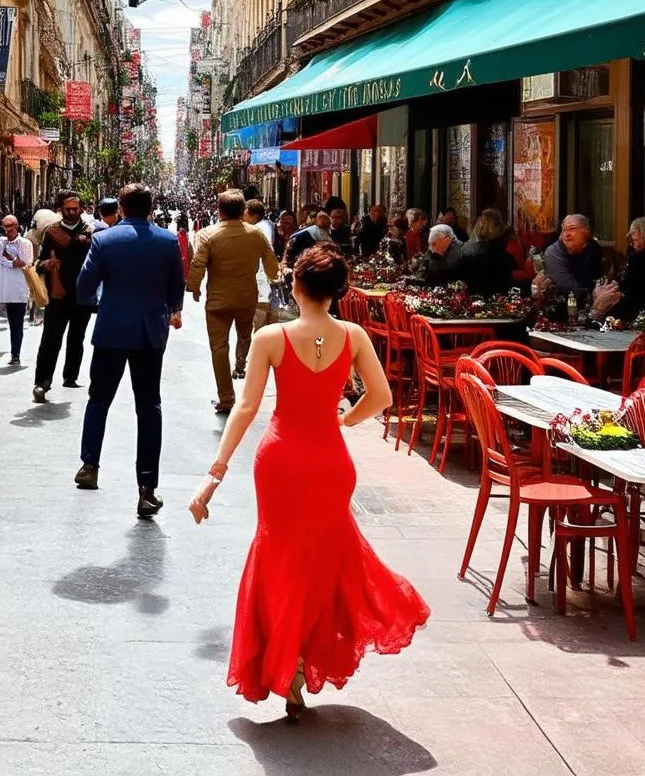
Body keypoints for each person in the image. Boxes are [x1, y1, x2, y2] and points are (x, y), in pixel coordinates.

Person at [188, 243, 428, 717]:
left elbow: (246, 407)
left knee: (279, 558)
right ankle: (300, 661)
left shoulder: (271, 338)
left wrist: (214, 474)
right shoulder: (354, 335)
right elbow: (381, 398)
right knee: (323, 561)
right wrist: (344, 421)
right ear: (337, 292)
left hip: (280, 461)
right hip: (330, 463)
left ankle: (287, 664)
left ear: (295, 286)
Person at [74, 184, 186, 516]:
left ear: (120, 207)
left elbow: (83, 287)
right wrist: (165, 310)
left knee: (99, 398)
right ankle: (147, 488)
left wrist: (100, 306)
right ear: (151, 208)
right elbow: (176, 288)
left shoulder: (103, 240)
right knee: (149, 406)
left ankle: (89, 466)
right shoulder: (167, 241)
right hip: (150, 332)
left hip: (110, 330)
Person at [187, 189, 280, 414]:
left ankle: (226, 397)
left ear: (219, 211)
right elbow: (272, 266)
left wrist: (194, 286)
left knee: (219, 347)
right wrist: (273, 277)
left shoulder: (208, 234)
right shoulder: (256, 234)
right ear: (242, 210)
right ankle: (241, 366)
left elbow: (198, 264)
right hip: (247, 298)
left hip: (218, 301)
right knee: (245, 334)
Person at [32, 191, 94, 402]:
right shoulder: (51, 233)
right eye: (68, 209)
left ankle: (70, 375)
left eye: (75, 208)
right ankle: (42, 382)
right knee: (50, 339)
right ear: (61, 209)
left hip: (82, 295)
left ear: (81, 209)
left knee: (77, 337)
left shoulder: (89, 232)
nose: (72, 212)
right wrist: (46, 265)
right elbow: (38, 263)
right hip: (57, 295)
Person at [592, 215, 645, 322]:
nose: (631, 239)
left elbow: (630, 290)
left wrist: (605, 294)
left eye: (635, 236)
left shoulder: (643, 259)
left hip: (638, 314)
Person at [0, 215, 33, 365]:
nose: (9, 232)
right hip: (5, 288)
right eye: (6, 229)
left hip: (19, 288)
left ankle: (15, 353)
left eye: (11, 228)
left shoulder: (25, 243)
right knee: (12, 322)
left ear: (17, 227)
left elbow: (24, 262)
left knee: (17, 322)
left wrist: (6, 260)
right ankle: (14, 352)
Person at [540, 214, 603, 299]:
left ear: (586, 231)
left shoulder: (594, 248)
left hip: (589, 299)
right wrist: (595, 296)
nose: (567, 234)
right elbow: (568, 288)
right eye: (564, 230)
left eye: (572, 229)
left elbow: (597, 279)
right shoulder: (553, 252)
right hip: (564, 303)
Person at [458, 209, 516, 296]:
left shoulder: (471, 253)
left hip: (476, 302)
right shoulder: (506, 255)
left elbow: (463, 280)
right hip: (501, 302)